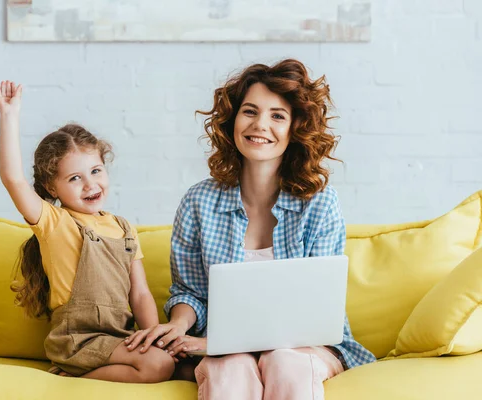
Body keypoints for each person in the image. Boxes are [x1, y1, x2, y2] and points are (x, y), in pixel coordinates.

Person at [125, 60, 376, 398]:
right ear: (232, 121)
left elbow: (317, 308)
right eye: (250, 111)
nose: (260, 125)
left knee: (284, 363)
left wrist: (217, 342)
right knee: (229, 367)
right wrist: (178, 325)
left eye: (277, 115)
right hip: (224, 348)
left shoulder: (319, 202)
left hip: (305, 347)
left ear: (295, 129)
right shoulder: (199, 201)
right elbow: (191, 292)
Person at [0, 80, 174, 383]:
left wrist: (150, 336)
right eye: (75, 178)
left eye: (95, 171)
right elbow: (13, 179)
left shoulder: (123, 227)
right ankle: (73, 374)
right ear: (52, 187)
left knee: (177, 363)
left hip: (119, 337)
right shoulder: (55, 222)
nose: (90, 184)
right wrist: (9, 116)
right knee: (158, 366)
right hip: (78, 339)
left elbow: (140, 293)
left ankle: (93, 370)